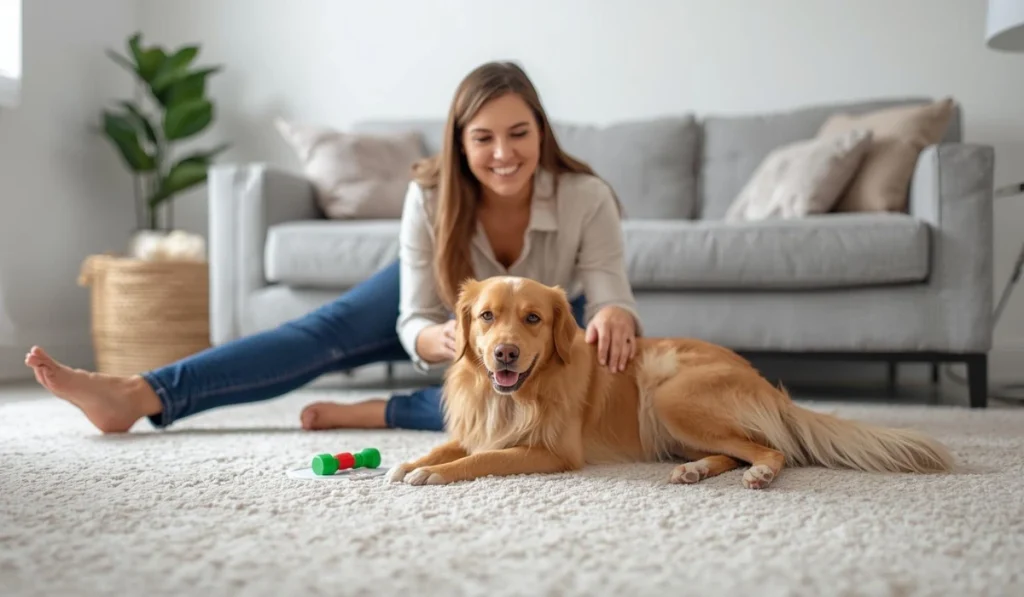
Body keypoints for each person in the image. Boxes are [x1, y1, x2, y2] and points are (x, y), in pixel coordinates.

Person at [24, 60, 643, 434]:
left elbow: (609, 285)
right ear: (459, 143)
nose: (504, 153)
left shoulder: (586, 195)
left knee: (538, 410)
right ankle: (136, 394)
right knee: (318, 334)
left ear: (542, 132)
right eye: (484, 138)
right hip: (442, 315)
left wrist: (615, 311)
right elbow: (412, 317)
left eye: (519, 133)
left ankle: (382, 411)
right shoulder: (430, 196)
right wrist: (440, 339)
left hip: (540, 327)